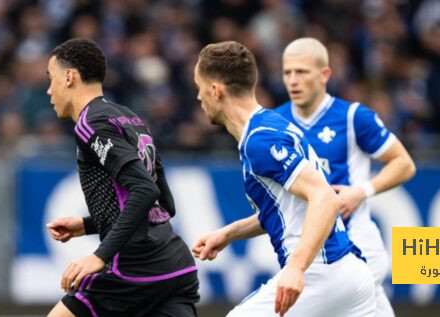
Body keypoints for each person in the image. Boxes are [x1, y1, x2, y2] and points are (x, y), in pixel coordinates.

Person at [191, 41, 375, 317]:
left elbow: (325, 198)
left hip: (322, 273)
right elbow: (289, 208)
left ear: (216, 90)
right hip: (349, 274)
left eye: (200, 87)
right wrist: (228, 234)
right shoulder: (271, 124)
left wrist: (296, 269)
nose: (198, 97)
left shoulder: (259, 141)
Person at [44, 38, 199, 317]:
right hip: (176, 269)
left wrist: (99, 256)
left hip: (132, 272)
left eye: (51, 79)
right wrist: (87, 224)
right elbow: (165, 204)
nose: (48, 90)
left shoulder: (91, 124)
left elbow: (144, 190)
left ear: (69, 77)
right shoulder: (130, 118)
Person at [275, 37, 416, 317]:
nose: (293, 80)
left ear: (324, 74)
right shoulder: (275, 123)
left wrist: (360, 191)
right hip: (308, 249)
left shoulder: (353, 117)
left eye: (302, 72)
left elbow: (404, 164)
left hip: (357, 244)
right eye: (287, 72)